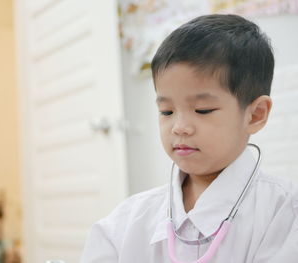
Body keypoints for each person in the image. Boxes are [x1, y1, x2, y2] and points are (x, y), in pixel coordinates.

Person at [80, 14, 298, 263]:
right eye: (167, 112)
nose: (179, 127)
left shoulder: (286, 214)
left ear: (255, 115)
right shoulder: (124, 222)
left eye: (202, 110)